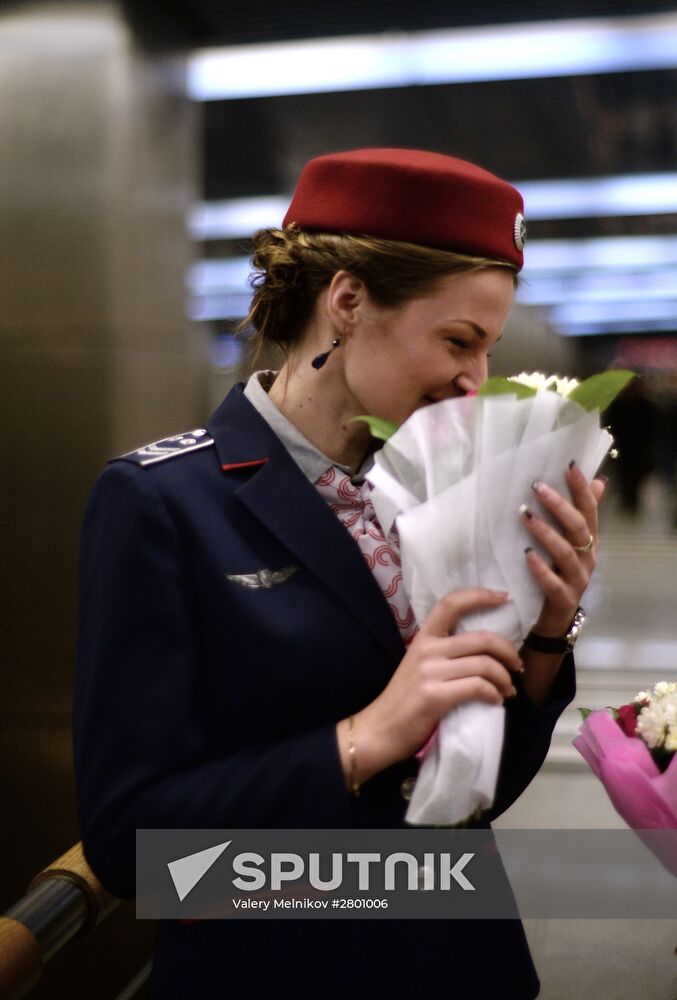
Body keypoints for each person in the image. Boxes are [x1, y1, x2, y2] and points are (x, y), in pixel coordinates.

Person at [73, 148, 605, 999]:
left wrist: (548, 627)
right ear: (348, 301)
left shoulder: (445, 493)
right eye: (458, 341)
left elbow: (475, 797)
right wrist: (358, 744)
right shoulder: (162, 504)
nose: (477, 382)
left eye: (490, 348)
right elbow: (135, 851)